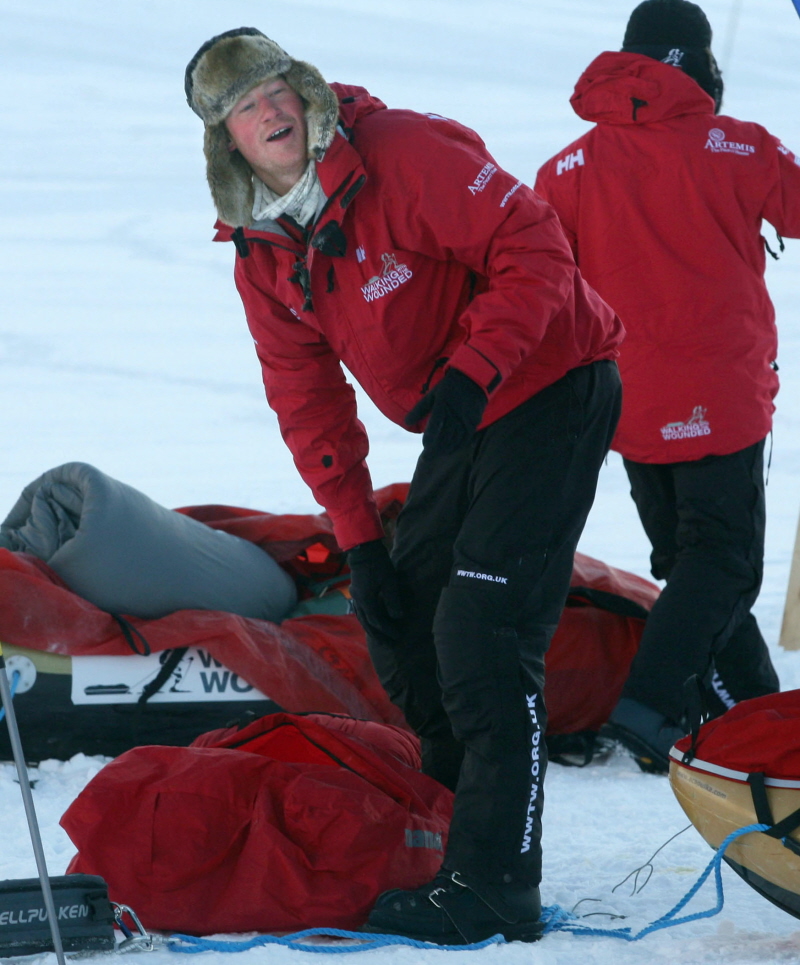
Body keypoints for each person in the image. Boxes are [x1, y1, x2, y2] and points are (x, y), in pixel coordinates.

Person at [184, 27, 623, 943]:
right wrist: (358, 539)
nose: (271, 111)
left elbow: (537, 244)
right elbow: (305, 398)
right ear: (226, 137)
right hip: (466, 414)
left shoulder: (399, 152)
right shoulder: (262, 251)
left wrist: (473, 371)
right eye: (246, 107)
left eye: (278, 91)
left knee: (485, 627)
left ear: (301, 93)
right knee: (403, 609)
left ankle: (499, 880)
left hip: (550, 381)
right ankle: (456, 825)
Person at [535, 0, 799, 774]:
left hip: (629, 404)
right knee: (722, 564)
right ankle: (650, 702)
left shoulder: (566, 168)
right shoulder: (739, 146)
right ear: (702, 66)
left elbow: (538, 284)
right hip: (720, 397)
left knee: (691, 568)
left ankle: (752, 710)